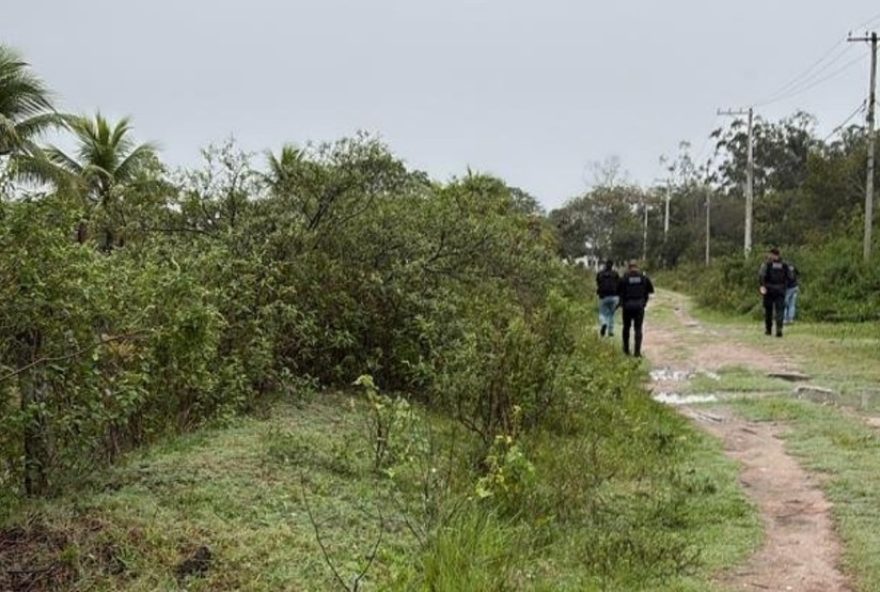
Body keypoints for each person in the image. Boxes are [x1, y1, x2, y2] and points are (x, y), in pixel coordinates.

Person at [617, 260, 655, 357]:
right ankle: (637, 352)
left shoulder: (624, 278)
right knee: (638, 329)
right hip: (639, 306)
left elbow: (618, 290)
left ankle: (626, 350)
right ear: (637, 267)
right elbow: (651, 290)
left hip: (627, 306)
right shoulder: (643, 277)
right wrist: (644, 300)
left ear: (629, 267)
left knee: (626, 328)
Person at [758, 248, 792, 337]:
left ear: (772, 255)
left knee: (768, 311)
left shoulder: (767, 264)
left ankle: (768, 330)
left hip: (769, 290)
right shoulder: (785, 265)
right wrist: (785, 286)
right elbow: (790, 277)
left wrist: (762, 285)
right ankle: (779, 329)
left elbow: (761, 275)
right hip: (780, 290)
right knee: (780, 310)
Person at [596, 260, 620, 337]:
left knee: (602, 313)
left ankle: (604, 323)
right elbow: (619, 284)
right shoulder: (615, 274)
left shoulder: (600, 274)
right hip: (614, 297)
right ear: (612, 266)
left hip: (603, 297)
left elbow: (598, 283)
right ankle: (610, 331)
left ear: (605, 265)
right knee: (611, 314)